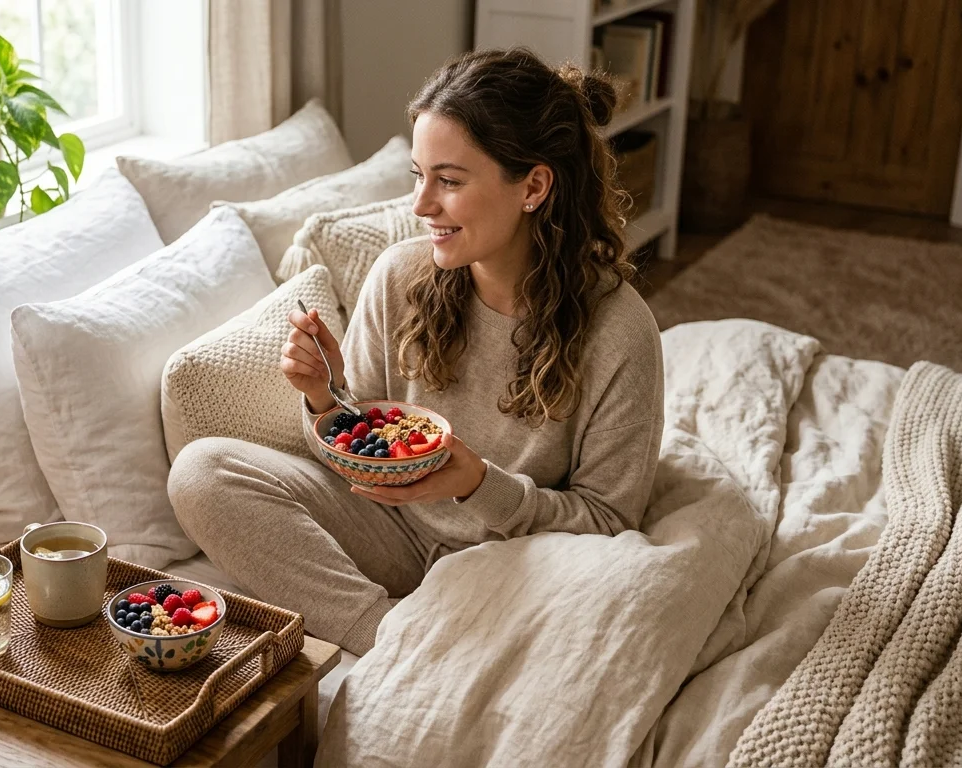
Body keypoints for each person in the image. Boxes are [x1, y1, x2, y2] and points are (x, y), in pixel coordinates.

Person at [168, 47, 664, 656]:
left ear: (533, 185)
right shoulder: (399, 275)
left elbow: (610, 523)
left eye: (449, 181)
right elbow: (362, 448)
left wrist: (479, 483)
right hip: (390, 533)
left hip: (516, 557)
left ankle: (430, 633)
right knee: (201, 470)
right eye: (418, 175)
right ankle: (387, 639)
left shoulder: (618, 330)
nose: (421, 205)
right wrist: (326, 397)